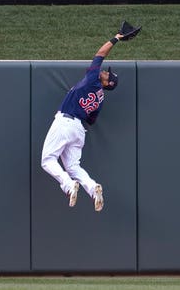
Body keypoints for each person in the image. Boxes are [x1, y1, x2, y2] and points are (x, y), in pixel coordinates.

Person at [41, 31, 125, 212]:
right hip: (78, 130)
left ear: (108, 84)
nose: (104, 72)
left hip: (65, 122)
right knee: (72, 166)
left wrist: (116, 39)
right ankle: (93, 189)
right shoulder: (101, 98)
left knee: (47, 160)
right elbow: (92, 120)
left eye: (108, 75)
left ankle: (68, 186)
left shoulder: (93, 81)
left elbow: (100, 55)